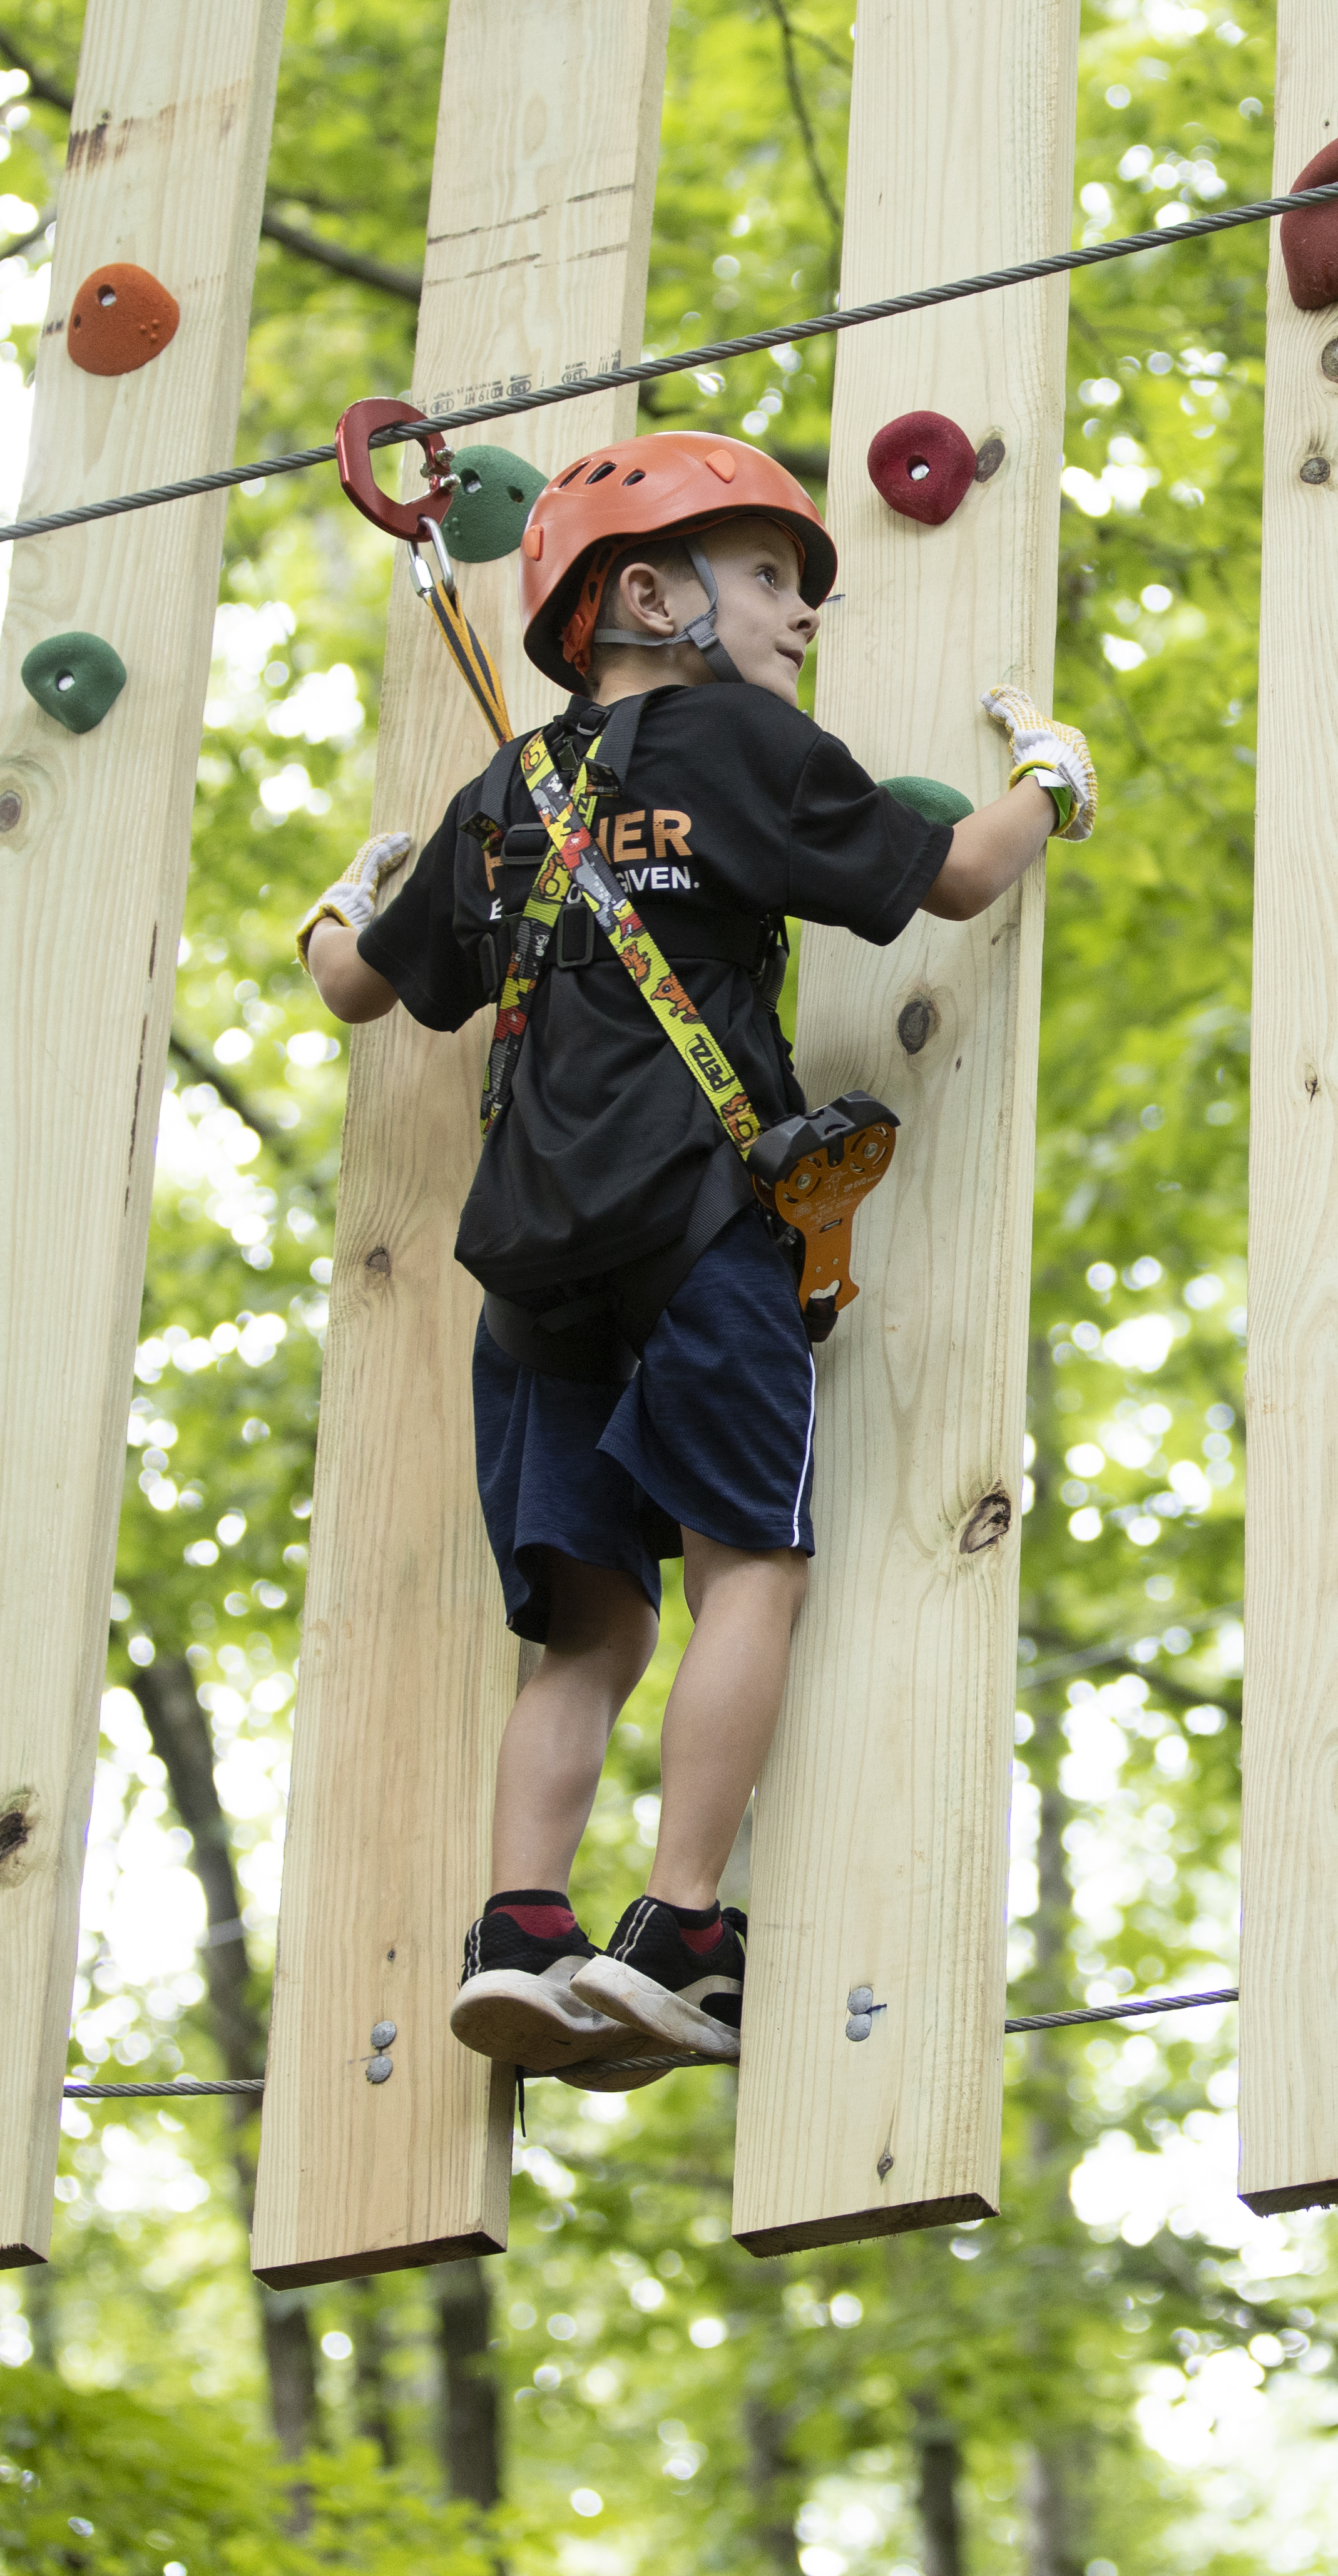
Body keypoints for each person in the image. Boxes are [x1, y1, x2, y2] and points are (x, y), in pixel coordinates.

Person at [296, 430, 1093, 2085]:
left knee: (585, 1629)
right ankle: (681, 1933)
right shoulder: (743, 742)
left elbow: (364, 989)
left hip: (526, 1275)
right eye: (773, 579)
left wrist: (330, 908)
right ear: (646, 595)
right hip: (698, 1228)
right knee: (753, 1564)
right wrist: (1049, 789)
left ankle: (521, 1929)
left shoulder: (508, 794)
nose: (804, 617)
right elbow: (948, 876)